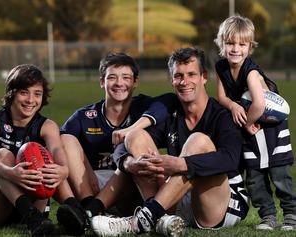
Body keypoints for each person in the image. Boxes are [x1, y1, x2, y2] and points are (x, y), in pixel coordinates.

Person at [90, 47, 249, 237]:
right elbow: (125, 145)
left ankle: (141, 220)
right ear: (172, 79)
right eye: (178, 76)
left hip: (220, 203)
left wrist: (181, 163)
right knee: (135, 135)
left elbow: (230, 159)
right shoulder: (171, 114)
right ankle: (159, 217)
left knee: (198, 141)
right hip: (177, 198)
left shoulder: (221, 115)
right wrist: (129, 163)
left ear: (204, 77)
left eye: (191, 74)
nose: (184, 82)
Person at [57, 52, 174, 234]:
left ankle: (91, 214)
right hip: (94, 185)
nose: (119, 83)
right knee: (65, 139)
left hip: (133, 184)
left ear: (135, 82)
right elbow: (58, 146)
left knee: (132, 160)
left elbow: (170, 100)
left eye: (126, 77)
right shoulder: (85, 116)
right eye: (112, 77)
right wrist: (87, 171)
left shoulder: (142, 106)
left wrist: (131, 128)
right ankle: (89, 210)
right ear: (102, 81)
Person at [0, 64, 86, 236]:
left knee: (46, 161)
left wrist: (63, 170)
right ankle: (31, 218)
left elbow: (58, 151)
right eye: (24, 92)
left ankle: (77, 212)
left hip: (35, 199)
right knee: (3, 154)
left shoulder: (47, 126)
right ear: (12, 93)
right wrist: (10, 172)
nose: (31, 100)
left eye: (37, 94)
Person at [214, 15, 296, 230]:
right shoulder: (220, 67)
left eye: (242, 44)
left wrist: (244, 123)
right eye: (230, 43)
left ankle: (291, 214)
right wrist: (234, 106)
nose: (235, 49)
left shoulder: (250, 71)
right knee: (255, 176)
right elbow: (222, 97)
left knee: (279, 174)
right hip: (250, 127)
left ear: (250, 47)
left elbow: (259, 105)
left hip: (269, 127)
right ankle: (268, 216)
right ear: (221, 43)